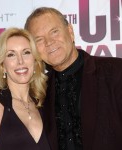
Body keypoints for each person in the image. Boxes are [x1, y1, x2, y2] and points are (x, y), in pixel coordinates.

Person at [24, 7, 122, 150]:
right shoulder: (37, 94)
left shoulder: (115, 72)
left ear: (70, 32)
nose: (49, 42)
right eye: (39, 39)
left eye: (54, 32)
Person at [0, 27, 51, 150]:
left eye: (26, 52)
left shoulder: (44, 105)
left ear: (35, 61)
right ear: (2, 66)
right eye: (11, 55)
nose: (20, 61)